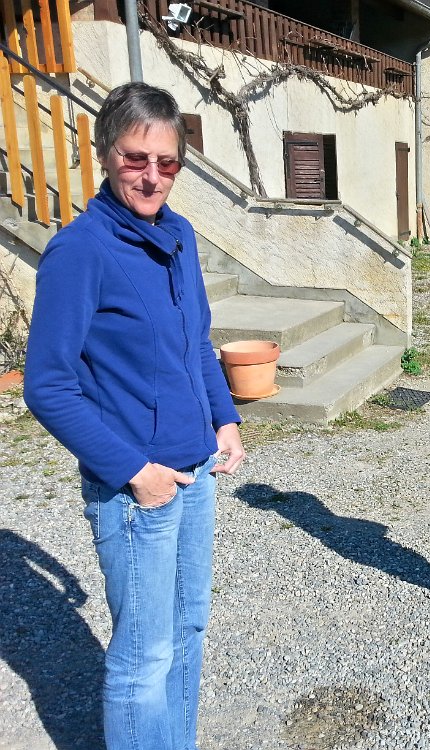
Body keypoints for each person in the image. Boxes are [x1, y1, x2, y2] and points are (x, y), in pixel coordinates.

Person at [23, 82, 245, 749]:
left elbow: (196, 343)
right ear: (105, 153)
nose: (152, 176)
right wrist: (135, 472)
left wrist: (225, 420)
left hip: (196, 471)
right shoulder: (81, 251)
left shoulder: (178, 236)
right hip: (136, 490)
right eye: (135, 158)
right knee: (143, 657)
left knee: (188, 629)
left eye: (167, 161)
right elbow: (48, 386)